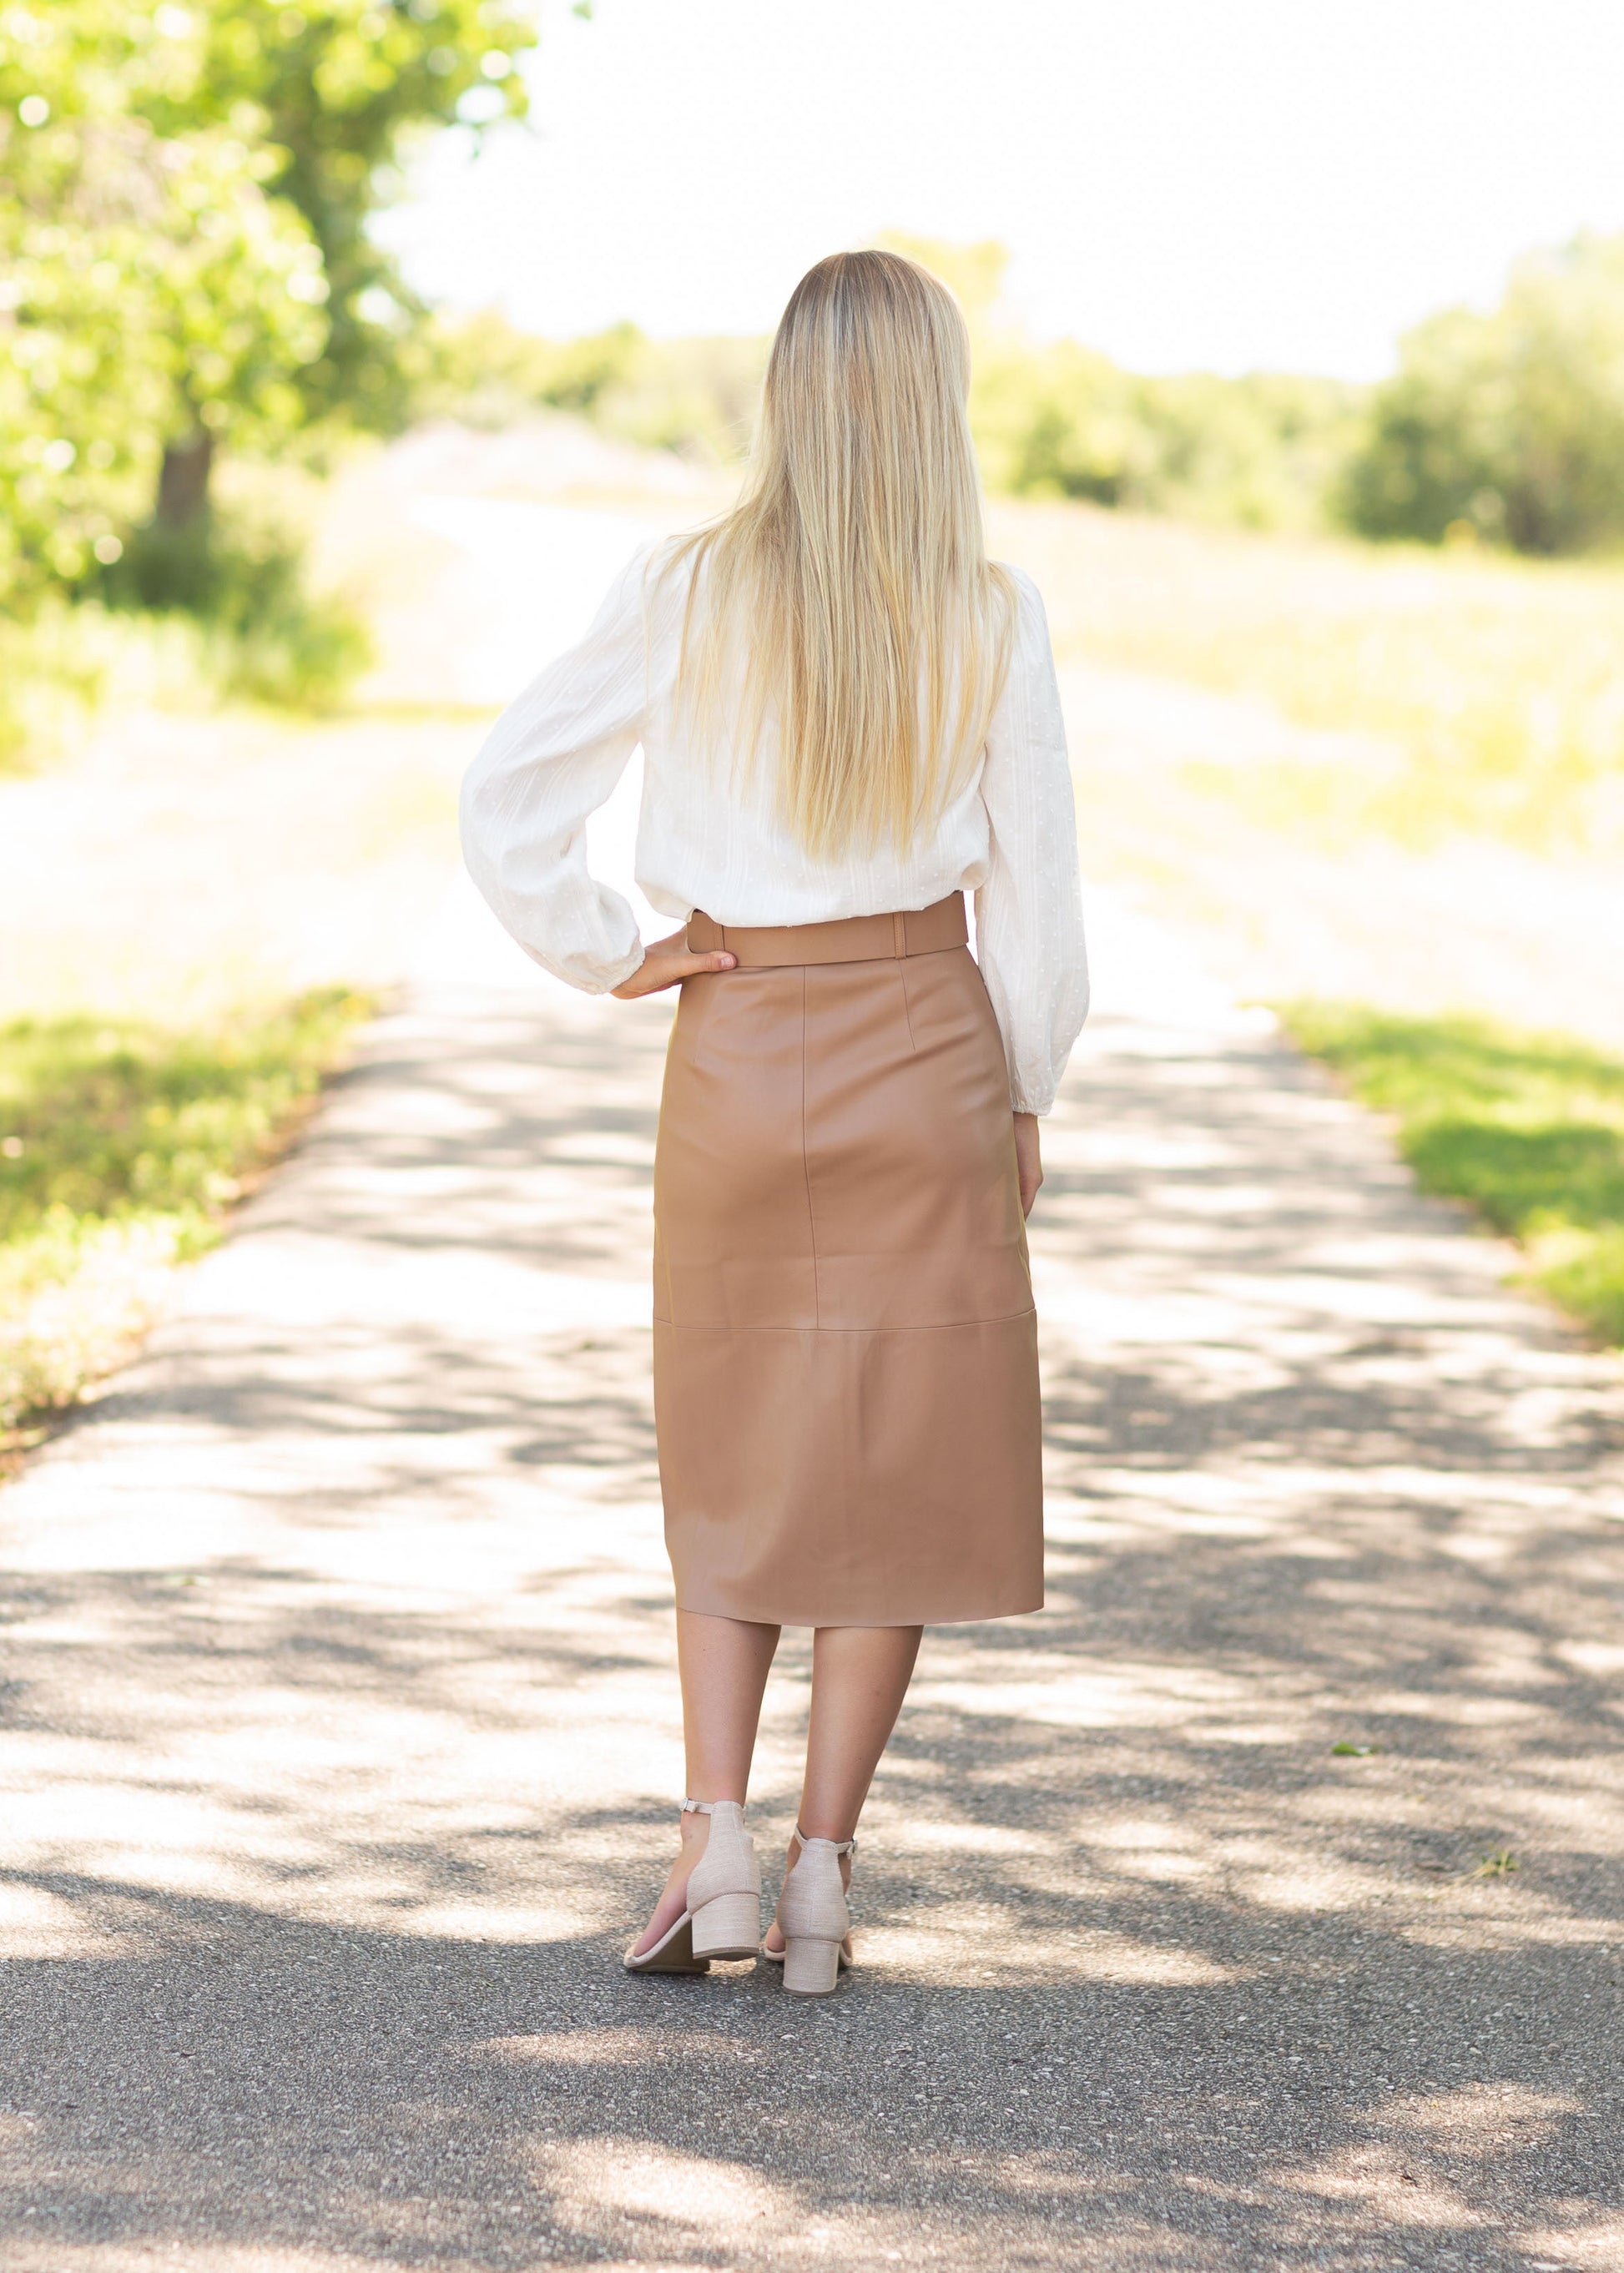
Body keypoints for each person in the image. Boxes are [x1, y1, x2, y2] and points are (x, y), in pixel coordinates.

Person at [460, 249, 1087, 1995]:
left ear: (786, 398)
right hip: (922, 1047)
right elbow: (1037, 889)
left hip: (737, 1038)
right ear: (936, 402)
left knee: (737, 1453)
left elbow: (506, 793)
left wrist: (616, 953)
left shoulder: (684, 586)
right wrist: (1025, 1082)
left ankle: (711, 1845)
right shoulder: (988, 607)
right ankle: (820, 1884)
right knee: (892, 1470)